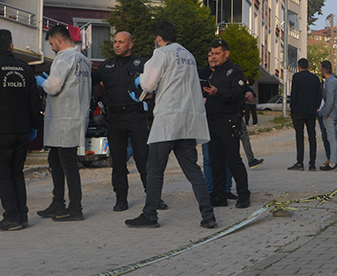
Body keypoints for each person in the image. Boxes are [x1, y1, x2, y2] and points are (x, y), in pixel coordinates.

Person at [125, 20, 216, 228]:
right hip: (188, 122)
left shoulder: (161, 53)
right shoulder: (188, 55)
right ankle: (208, 215)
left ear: (158, 38)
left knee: (155, 169)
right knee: (193, 169)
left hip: (168, 120)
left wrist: (139, 81)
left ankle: (150, 214)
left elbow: (148, 84)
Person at [91, 32, 167, 212]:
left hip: (136, 117)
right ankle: (121, 199)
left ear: (130, 44)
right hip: (114, 119)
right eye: (115, 42)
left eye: (121, 42)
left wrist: (149, 99)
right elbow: (89, 82)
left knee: (144, 159)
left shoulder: (142, 65)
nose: (116, 45)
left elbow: (156, 86)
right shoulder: (105, 65)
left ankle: (154, 197)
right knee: (117, 161)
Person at [0, 29, 42, 231]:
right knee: (17, 173)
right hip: (22, 130)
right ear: (12, 46)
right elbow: (35, 100)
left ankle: (12, 216)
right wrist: (34, 125)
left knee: (3, 175)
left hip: (1, 130)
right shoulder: (25, 69)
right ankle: (22, 215)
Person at [35, 24, 92, 221]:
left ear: (59, 40)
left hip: (64, 118)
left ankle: (75, 208)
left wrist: (41, 81)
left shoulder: (64, 58)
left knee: (67, 164)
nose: (51, 48)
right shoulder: (84, 60)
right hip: (74, 116)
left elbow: (53, 87)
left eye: (51, 43)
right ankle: (58, 202)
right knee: (56, 160)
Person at [201, 39, 251, 209]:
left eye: (217, 54)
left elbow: (237, 94)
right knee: (216, 161)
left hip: (228, 121)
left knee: (233, 160)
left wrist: (217, 92)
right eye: (212, 54)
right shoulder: (211, 73)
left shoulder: (234, 72)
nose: (213, 57)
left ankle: (244, 195)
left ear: (226, 53)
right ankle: (219, 195)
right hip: (212, 122)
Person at [288, 58, 322, 171]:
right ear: (308, 66)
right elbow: (319, 95)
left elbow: (294, 94)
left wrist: (292, 108)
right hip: (311, 111)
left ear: (298, 67)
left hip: (298, 111)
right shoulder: (315, 78)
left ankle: (300, 163)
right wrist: (316, 107)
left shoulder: (296, 77)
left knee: (299, 136)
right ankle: (312, 164)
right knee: (312, 137)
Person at [319, 61, 337, 171]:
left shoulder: (330, 82)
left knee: (331, 138)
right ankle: (336, 160)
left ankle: (333, 163)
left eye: (320, 68)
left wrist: (325, 114)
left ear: (323, 70)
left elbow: (330, 100)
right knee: (333, 138)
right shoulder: (336, 80)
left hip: (330, 114)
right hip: (335, 113)